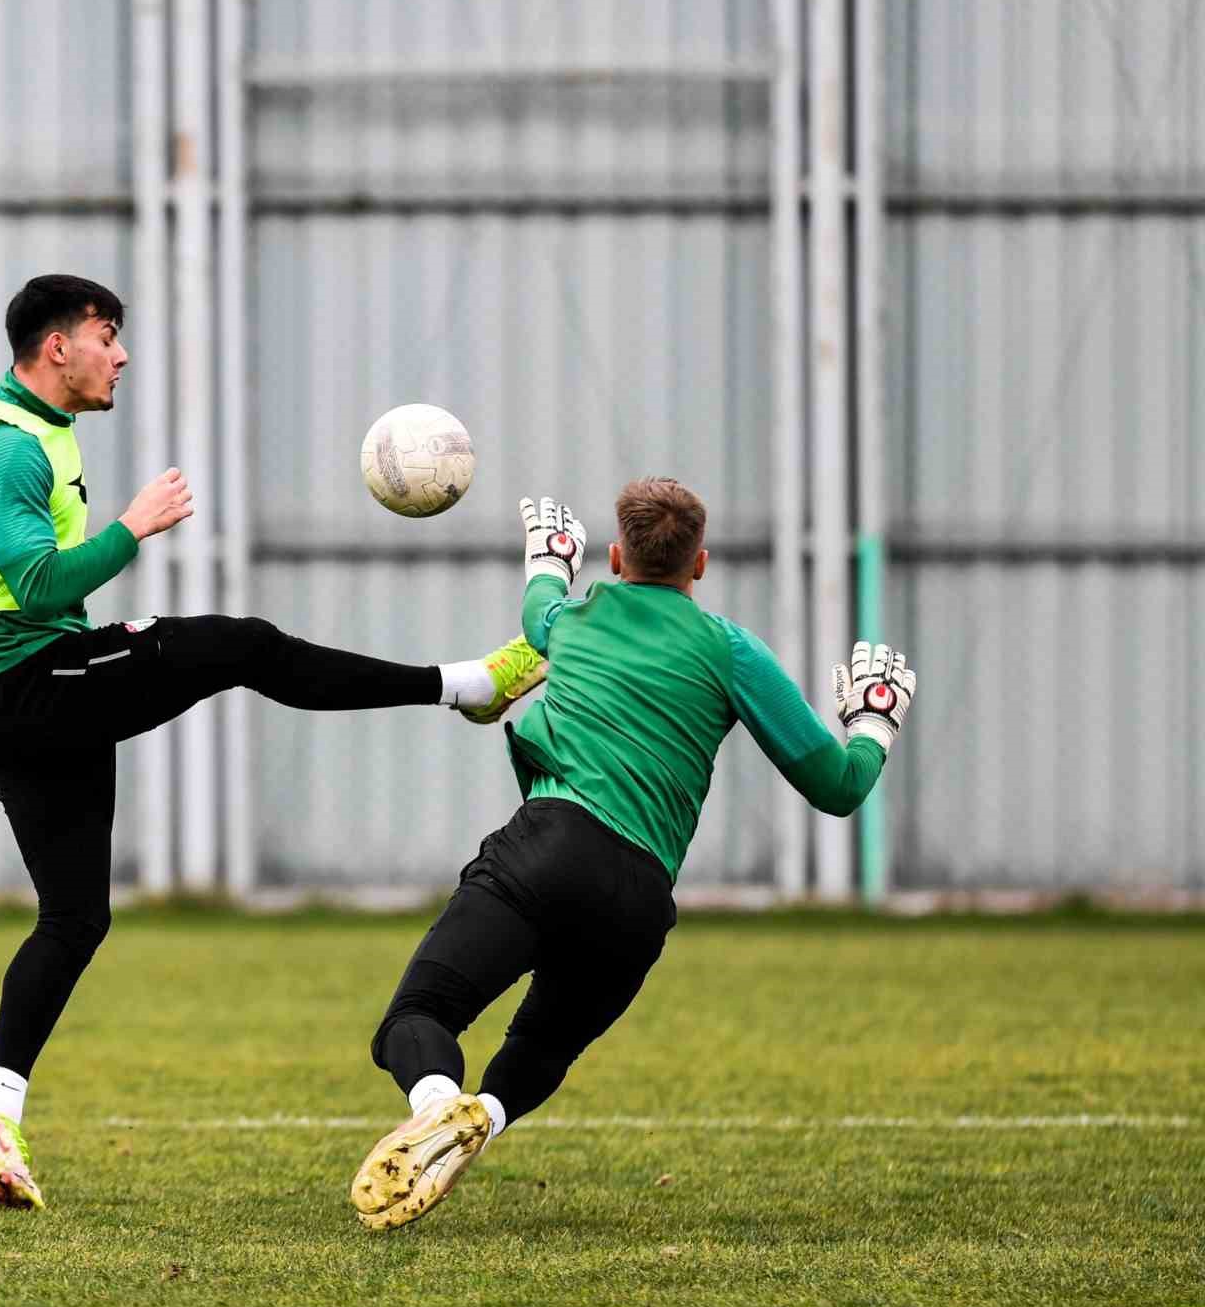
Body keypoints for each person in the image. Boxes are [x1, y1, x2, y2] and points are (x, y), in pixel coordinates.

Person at [0, 273, 545, 1210]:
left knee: (76, 917)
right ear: (57, 348)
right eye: (107, 335)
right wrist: (134, 526)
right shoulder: (11, 450)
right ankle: (466, 685)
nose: (121, 353)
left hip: (10, 699)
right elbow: (42, 583)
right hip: (34, 685)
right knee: (241, 646)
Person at [349, 479, 916, 1230]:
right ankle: (482, 1114)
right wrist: (873, 728)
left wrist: (548, 558)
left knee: (416, 1018)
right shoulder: (729, 650)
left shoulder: (573, 619)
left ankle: (436, 1104)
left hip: (548, 846)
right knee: (542, 1042)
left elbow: (537, 607)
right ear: (700, 564)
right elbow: (837, 787)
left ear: (615, 555)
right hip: (640, 898)